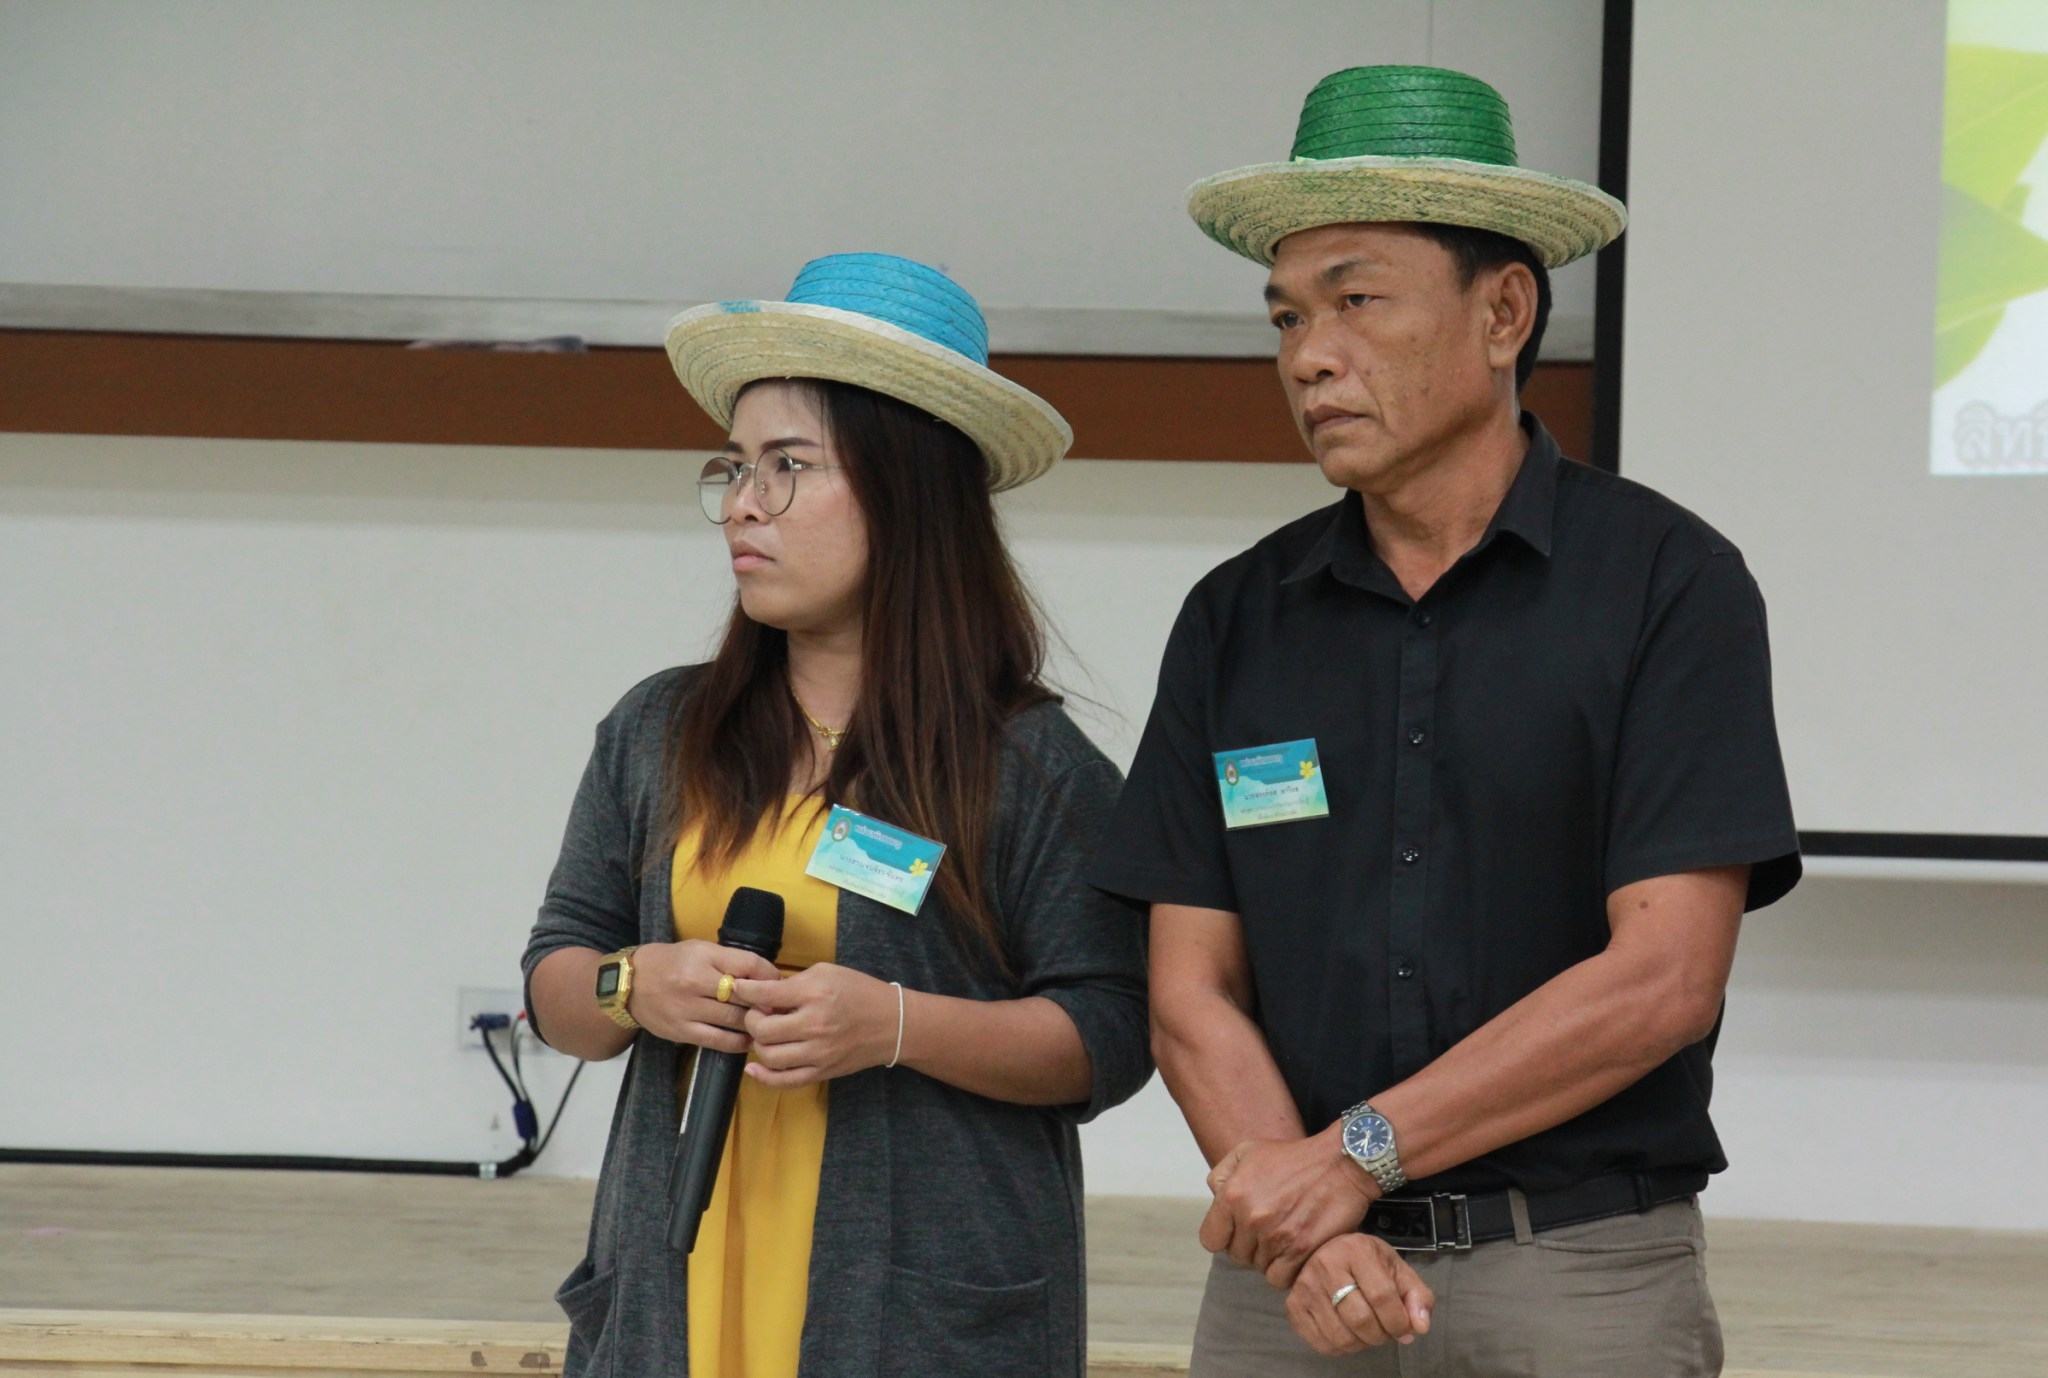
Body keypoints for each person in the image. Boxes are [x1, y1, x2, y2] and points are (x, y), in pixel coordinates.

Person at [1088, 66, 1801, 1376]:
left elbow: (1661, 978)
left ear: (1503, 311)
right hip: (1293, 1280)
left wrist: (1354, 1156)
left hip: (1572, 1271)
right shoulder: (1236, 617)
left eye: (1356, 300)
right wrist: (1310, 1220)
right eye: (1287, 315)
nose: (1309, 355)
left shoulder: (1666, 584)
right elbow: (1190, 989)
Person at [522, 253, 1151, 1378]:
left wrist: (896, 1025)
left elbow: (1110, 1031)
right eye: (734, 467)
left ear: (907, 491)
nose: (743, 503)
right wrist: (633, 983)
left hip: (919, 1320)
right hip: (678, 1293)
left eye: (789, 466)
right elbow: (556, 979)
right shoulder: (659, 730)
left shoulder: (1030, 764)